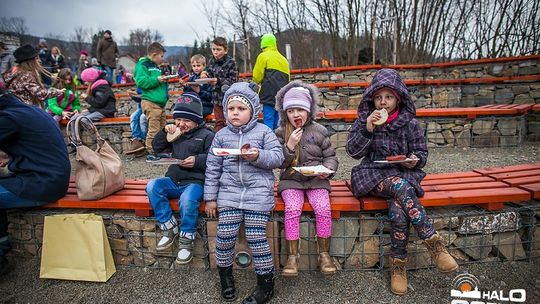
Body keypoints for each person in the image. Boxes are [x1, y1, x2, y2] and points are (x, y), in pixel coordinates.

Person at [346, 68, 458, 295]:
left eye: (388, 97)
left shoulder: (410, 124)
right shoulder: (365, 121)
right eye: (378, 97)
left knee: (399, 208)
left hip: (404, 175)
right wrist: (368, 129)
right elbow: (353, 152)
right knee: (400, 187)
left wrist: (414, 161)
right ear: (372, 99)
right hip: (373, 174)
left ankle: (398, 267)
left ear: (398, 98)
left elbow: (421, 154)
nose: (382, 103)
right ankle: (433, 243)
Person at [204, 82, 284, 303]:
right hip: (229, 195)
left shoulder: (264, 132)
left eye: (241, 109)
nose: (235, 113)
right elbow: (212, 168)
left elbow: (277, 158)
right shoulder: (220, 136)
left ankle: (265, 285)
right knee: (224, 237)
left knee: (257, 237)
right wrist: (210, 198)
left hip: (257, 196)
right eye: (231, 109)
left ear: (253, 110)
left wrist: (257, 156)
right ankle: (226, 278)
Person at [0, 87, 71, 275]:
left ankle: (1, 254)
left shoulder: (8, 119)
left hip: (43, 184)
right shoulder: (25, 110)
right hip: (51, 178)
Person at [274, 81, 338, 276]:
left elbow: (330, 156)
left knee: (323, 208)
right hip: (291, 180)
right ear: (285, 113)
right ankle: (293, 257)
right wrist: (289, 146)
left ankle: (324, 254)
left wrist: (327, 169)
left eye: (300, 110)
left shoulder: (319, 131)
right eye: (291, 111)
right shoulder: (280, 132)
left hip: (316, 180)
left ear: (309, 111)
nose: (295, 115)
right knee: (292, 208)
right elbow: (278, 162)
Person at [146, 92, 214, 264]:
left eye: (187, 120)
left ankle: (186, 238)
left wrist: (197, 161)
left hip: (195, 182)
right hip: (174, 179)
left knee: (187, 200)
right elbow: (157, 148)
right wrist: (164, 131)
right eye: (178, 119)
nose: (181, 124)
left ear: (197, 120)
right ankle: (168, 226)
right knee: (153, 186)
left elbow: (214, 158)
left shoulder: (207, 135)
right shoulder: (175, 132)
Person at [134, 42, 169, 161]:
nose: (162, 59)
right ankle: (151, 150)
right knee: (154, 128)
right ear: (154, 55)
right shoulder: (142, 65)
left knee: (162, 127)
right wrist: (157, 79)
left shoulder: (156, 67)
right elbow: (141, 82)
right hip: (150, 102)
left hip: (159, 103)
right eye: (161, 56)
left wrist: (163, 79)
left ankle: (160, 149)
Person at [3, 44, 64, 109]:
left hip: (16, 108)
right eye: (36, 58)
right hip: (25, 109)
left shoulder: (14, 73)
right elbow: (40, 93)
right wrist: (57, 92)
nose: (39, 61)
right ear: (31, 61)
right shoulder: (26, 75)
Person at [252, 33, 290, 130]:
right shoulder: (284, 60)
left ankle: (268, 142)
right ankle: (279, 142)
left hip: (268, 94)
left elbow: (257, 77)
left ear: (263, 44)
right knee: (278, 121)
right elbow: (288, 79)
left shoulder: (263, 56)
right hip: (282, 94)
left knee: (268, 119)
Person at [68, 67, 116, 133]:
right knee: (73, 119)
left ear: (90, 79)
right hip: (99, 109)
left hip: (106, 111)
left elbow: (99, 103)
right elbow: (99, 103)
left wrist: (87, 97)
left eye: (86, 81)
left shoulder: (102, 87)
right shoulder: (96, 86)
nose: (85, 83)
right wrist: (90, 109)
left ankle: (97, 139)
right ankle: (75, 141)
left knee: (84, 120)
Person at [206, 37, 238, 132]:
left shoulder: (231, 62)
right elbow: (209, 74)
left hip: (229, 98)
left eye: (219, 49)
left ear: (225, 50)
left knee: (231, 121)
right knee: (219, 122)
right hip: (216, 98)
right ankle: (218, 141)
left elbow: (234, 80)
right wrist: (205, 75)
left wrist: (219, 81)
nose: (215, 52)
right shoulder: (211, 61)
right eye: (213, 49)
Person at [124, 88, 148, 157]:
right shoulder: (139, 84)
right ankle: (136, 138)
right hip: (141, 106)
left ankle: (143, 140)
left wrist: (136, 96)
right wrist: (133, 96)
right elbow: (139, 99)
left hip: (150, 106)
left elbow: (148, 96)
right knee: (133, 117)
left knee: (142, 118)